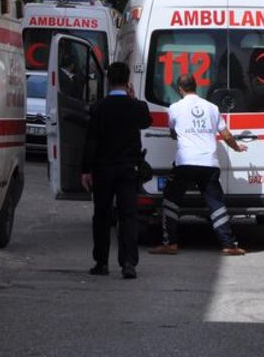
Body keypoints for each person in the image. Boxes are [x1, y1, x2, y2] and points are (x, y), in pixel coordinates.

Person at [150, 74, 248, 256]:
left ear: (180, 89)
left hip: (185, 163)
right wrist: (237, 148)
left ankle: (170, 244)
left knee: (171, 200)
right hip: (208, 163)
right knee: (216, 205)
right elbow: (226, 135)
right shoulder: (212, 108)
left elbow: (173, 132)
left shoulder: (174, 108)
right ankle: (229, 245)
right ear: (196, 87)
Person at [81, 62, 152, 279]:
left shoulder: (99, 107)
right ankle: (128, 263)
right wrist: (134, 97)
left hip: (103, 170)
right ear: (128, 80)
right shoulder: (137, 107)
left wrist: (86, 170)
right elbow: (146, 122)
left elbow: (91, 141)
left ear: (108, 80)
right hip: (128, 170)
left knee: (102, 216)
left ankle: (101, 262)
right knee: (128, 217)